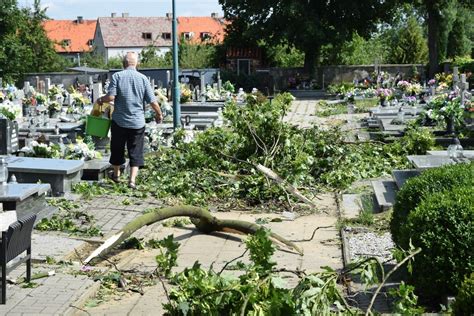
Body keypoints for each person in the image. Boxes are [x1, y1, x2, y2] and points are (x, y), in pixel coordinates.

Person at [97, 52, 163, 189]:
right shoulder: (143, 79)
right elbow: (152, 101)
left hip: (119, 121)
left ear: (124, 63)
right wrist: (159, 114)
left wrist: (100, 99)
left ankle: (116, 175)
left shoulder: (117, 76)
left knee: (117, 148)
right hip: (137, 122)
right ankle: (132, 180)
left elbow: (110, 98)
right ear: (136, 64)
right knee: (136, 150)